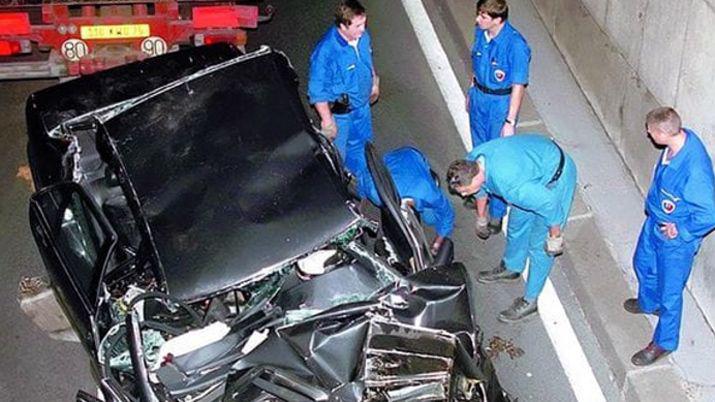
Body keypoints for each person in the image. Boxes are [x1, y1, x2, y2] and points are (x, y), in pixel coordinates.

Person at [447, 134, 576, 322]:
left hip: (554, 180)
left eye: (465, 190)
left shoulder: (510, 185)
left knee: (540, 246)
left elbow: (549, 204)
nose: (464, 194)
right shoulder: (472, 161)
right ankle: (512, 267)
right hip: (531, 170)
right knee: (516, 225)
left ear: (477, 176)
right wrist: (481, 217)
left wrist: (555, 236)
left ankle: (530, 301)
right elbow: (480, 190)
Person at [626, 107, 715, 366]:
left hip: (675, 241)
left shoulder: (694, 170)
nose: (647, 133)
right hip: (655, 223)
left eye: (650, 131)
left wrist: (683, 230)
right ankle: (648, 301)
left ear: (663, 133)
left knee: (671, 291)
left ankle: (664, 342)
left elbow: (710, 212)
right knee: (643, 264)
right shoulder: (676, 143)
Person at [466, 0, 531, 236]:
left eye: (484, 17)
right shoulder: (481, 32)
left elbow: (518, 85)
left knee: (497, 159)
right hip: (480, 97)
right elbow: (476, 61)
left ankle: (497, 211)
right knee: (479, 152)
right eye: (479, 15)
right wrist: (471, 89)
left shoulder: (515, 45)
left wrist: (510, 121)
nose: (478, 20)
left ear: (498, 20)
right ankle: (478, 191)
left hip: (499, 104)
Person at [308, 0, 379, 175]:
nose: (363, 29)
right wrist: (327, 120)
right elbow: (317, 90)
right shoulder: (326, 52)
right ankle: (340, 179)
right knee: (338, 153)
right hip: (342, 115)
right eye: (358, 26)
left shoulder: (363, 37)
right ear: (343, 26)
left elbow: (368, 60)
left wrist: (374, 82)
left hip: (362, 107)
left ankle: (361, 175)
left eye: (364, 23)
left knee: (364, 144)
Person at [357, 146, 455, 254]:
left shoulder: (428, 192)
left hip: (413, 155)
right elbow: (364, 176)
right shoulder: (375, 192)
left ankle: (428, 174)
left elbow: (447, 214)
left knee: (430, 218)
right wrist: (359, 212)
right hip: (395, 158)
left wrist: (436, 245)